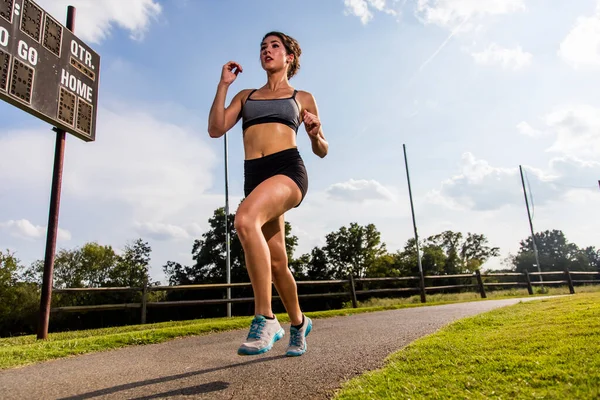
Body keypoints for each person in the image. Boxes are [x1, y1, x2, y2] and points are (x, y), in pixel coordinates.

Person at [207, 31, 329, 357]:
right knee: (277, 263)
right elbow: (216, 128)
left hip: (288, 171)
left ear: (289, 57)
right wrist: (224, 85)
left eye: (274, 46)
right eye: (263, 47)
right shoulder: (246, 96)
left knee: (245, 220)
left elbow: (322, 150)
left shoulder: (301, 97)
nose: (267, 50)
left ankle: (266, 317)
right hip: (256, 177)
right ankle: (300, 323)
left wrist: (316, 135)